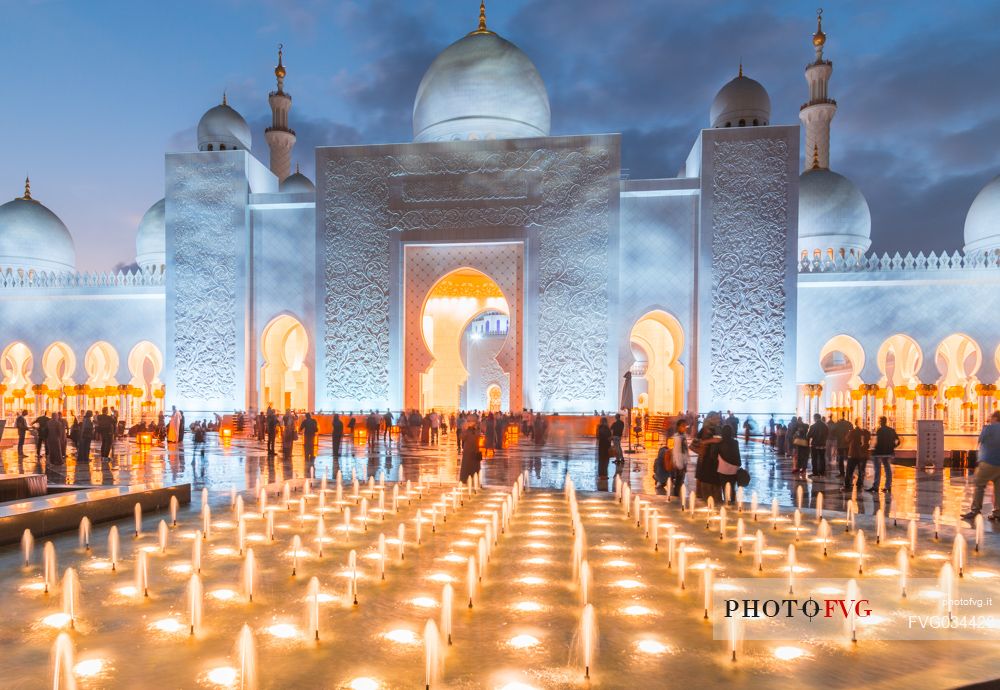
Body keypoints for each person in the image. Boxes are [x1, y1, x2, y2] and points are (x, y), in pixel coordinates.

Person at [963, 411, 1000, 521]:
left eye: (991, 417)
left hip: (988, 462)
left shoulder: (988, 428)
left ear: (995, 418)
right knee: (998, 489)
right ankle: (998, 512)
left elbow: (980, 441)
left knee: (979, 486)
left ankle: (975, 510)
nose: (989, 419)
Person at [868, 416, 900, 494]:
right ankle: (888, 486)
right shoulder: (891, 430)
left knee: (877, 469)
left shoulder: (880, 430)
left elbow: (878, 442)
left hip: (879, 453)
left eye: (879, 421)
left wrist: (873, 449)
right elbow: (898, 440)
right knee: (887, 468)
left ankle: (876, 486)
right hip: (888, 452)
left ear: (881, 422)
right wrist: (893, 446)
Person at [692, 416, 722, 501]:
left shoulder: (715, 429)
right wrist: (707, 442)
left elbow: (719, 439)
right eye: (716, 418)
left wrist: (706, 442)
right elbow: (694, 444)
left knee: (711, 489)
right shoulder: (705, 430)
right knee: (708, 489)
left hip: (712, 463)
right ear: (710, 419)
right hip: (708, 463)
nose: (718, 419)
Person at [716, 424, 741, 504]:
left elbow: (715, 455)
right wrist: (739, 464)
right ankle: (733, 502)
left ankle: (727, 503)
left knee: (724, 487)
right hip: (733, 469)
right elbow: (737, 455)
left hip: (722, 468)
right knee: (732, 487)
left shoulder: (720, 443)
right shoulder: (735, 442)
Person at [843, 419, 870, 492]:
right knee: (861, 470)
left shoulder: (853, 432)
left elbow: (847, 439)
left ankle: (847, 485)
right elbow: (868, 441)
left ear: (855, 424)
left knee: (849, 470)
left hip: (853, 454)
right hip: (863, 455)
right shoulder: (867, 432)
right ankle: (860, 484)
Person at [669, 419, 691, 496]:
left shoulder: (683, 436)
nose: (685, 428)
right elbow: (675, 451)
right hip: (679, 463)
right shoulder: (677, 437)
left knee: (680, 481)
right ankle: (676, 497)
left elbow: (685, 450)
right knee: (679, 481)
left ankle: (677, 496)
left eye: (685, 426)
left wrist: (686, 461)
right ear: (678, 427)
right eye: (683, 426)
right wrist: (677, 463)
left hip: (683, 462)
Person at [807, 413, 829, 478]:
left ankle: (815, 472)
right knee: (822, 458)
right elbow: (827, 434)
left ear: (815, 418)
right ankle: (822, 472)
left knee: (814, 459)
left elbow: (808, 436)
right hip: (823, 445)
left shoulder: (813, 426)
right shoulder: (825, 426)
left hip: (814, 445)